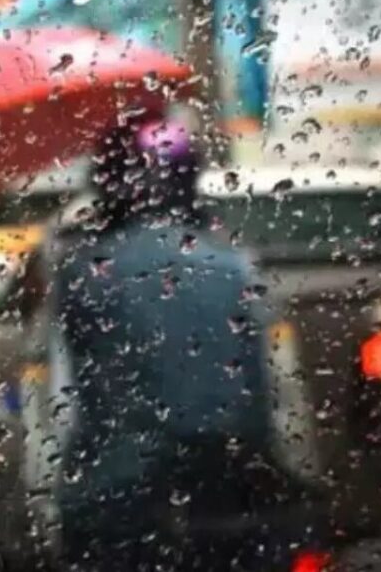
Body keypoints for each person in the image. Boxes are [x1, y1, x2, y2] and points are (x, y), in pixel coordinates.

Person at [50, 111, 305, 570]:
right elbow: (279, 389)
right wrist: (294, 476)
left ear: (107, 184)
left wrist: (53, 498)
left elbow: (62, 400)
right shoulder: (233, 265)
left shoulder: (84, 271)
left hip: (114, 500)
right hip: (232, 494)